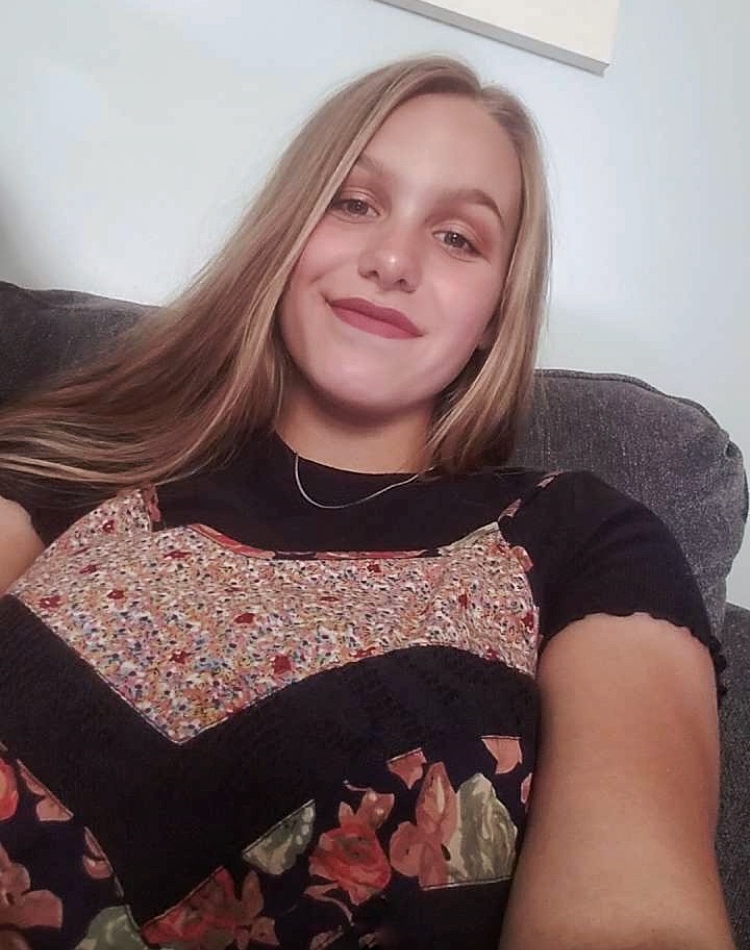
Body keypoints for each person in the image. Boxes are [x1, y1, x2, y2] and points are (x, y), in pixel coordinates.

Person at [0, 57, 734, 950]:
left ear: (496, 311)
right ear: (288, 233)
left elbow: (639, 914)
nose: (392, 261)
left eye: (458, 237)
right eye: (354, 203)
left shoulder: (587, 539)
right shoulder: (86, 462)